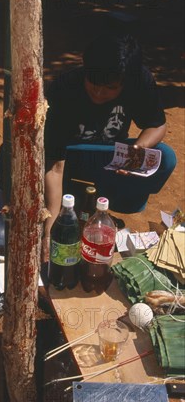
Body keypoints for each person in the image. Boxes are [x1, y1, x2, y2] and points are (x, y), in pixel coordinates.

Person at [43, 33, 176, 261]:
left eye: (110, 88)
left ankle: (104, 206)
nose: (98, 93)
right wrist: (50, 231)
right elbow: (55, 166)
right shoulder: (64, 88)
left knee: (165, 157)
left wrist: (139, 146)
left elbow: (157, 126)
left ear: (126, 82)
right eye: (93, 84)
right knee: (9, 163)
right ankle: (72, 203)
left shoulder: (140, 81)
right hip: (70, 157)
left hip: (108, 158)